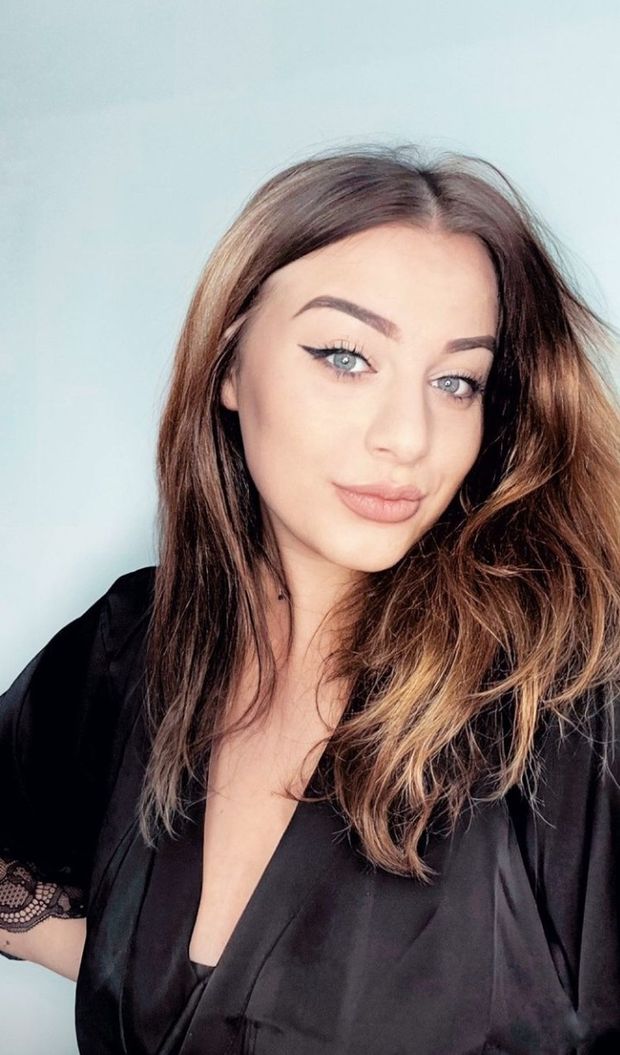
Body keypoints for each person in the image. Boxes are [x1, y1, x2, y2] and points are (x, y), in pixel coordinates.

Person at [1, 142, 619, 1054]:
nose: (408, 436)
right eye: (345, 356)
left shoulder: (564, 700)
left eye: (456, 381)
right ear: (228, 367)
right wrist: (119, 971)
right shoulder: (140, 641)